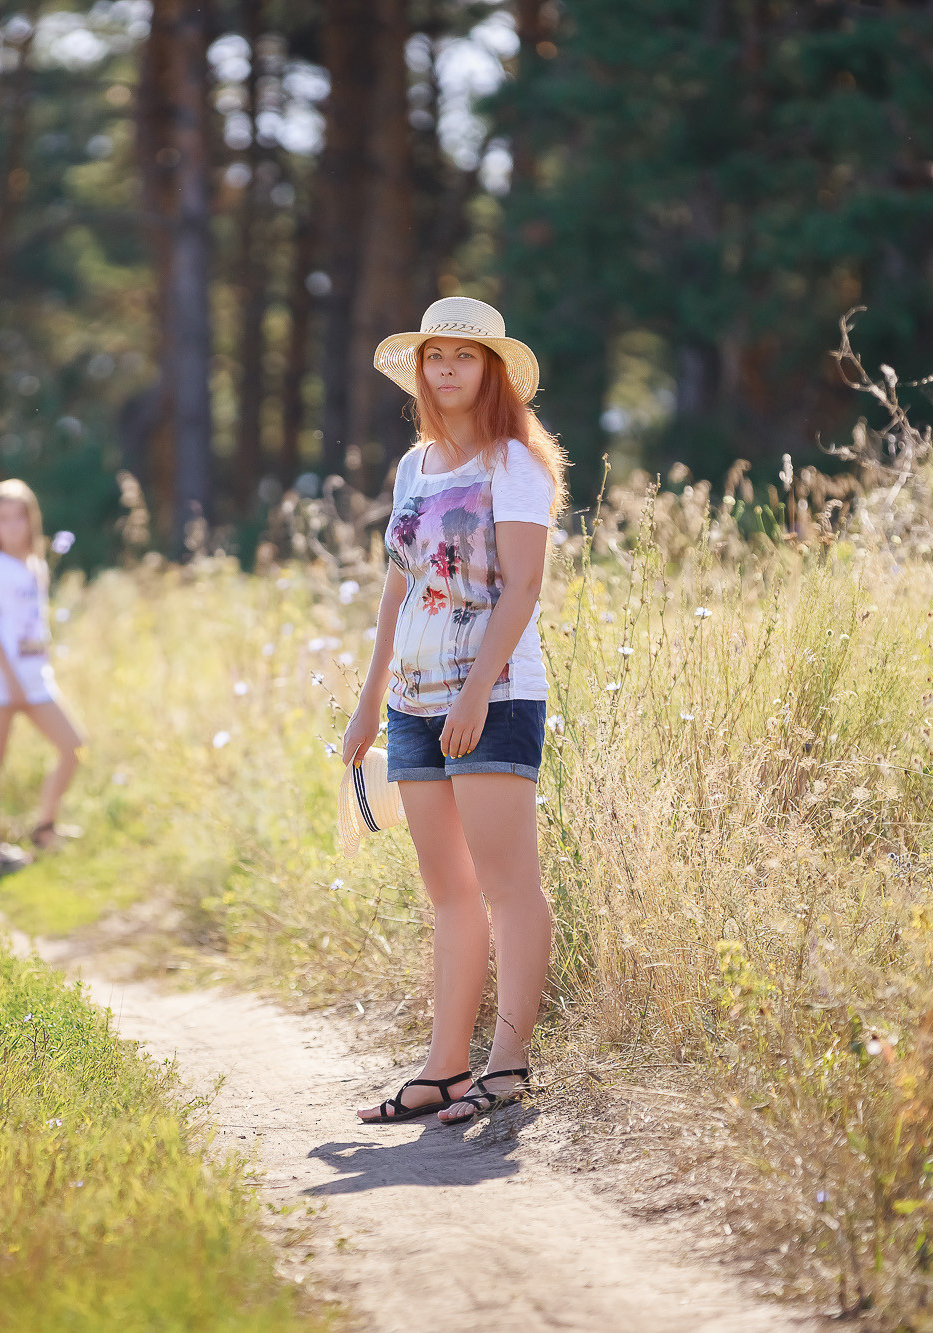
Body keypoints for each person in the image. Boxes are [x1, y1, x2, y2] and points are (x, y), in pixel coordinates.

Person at [343, 296, 568, 1126]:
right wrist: (368, 705)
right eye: (435, 355)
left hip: (494, 696)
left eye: (465, 356)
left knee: (508, 885)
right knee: (450, 891)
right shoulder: (413, 468)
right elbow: (397, 590)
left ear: (492, 370)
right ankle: (443, 1068)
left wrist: (476, 692)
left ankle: (507, 1063)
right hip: (412, 700)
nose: (447, 368)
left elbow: (524, 587)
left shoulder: (514, 464)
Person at [0, 479, 83, 875]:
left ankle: (45, 828)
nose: (14, 526)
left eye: (21, 517)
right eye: (4, 519)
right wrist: (11, 680)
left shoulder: (34, 564)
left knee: (74, 747)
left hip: (35, 678)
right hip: (0, 681)